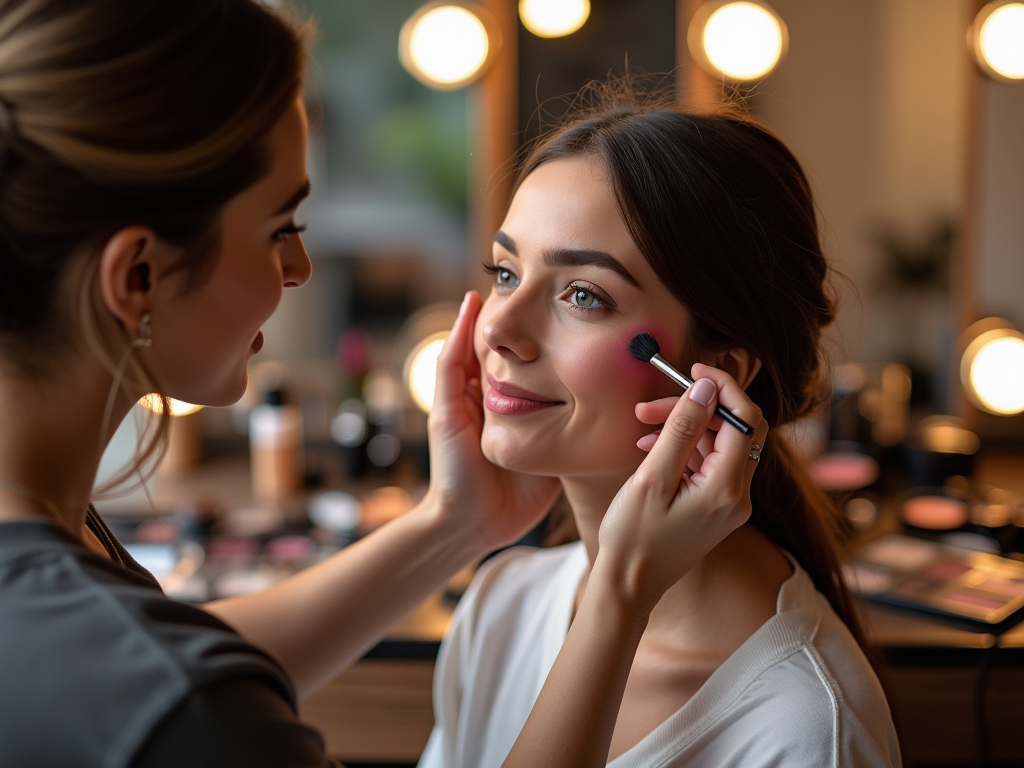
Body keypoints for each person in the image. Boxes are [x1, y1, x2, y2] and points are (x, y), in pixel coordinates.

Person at [0, 2, 764, 766]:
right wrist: (619, 597)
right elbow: (167, 699)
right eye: (279, 229)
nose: (298, 268)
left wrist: (455, 524)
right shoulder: (181, 706)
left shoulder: (70, 575)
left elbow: (152, 680)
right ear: (137, 275)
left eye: (582, 294)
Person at [418, 83, 902, 768]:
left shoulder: (804, 728)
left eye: (583, 294)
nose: (497, 327)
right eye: (504, 271)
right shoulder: (504, 608)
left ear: (715, 376)